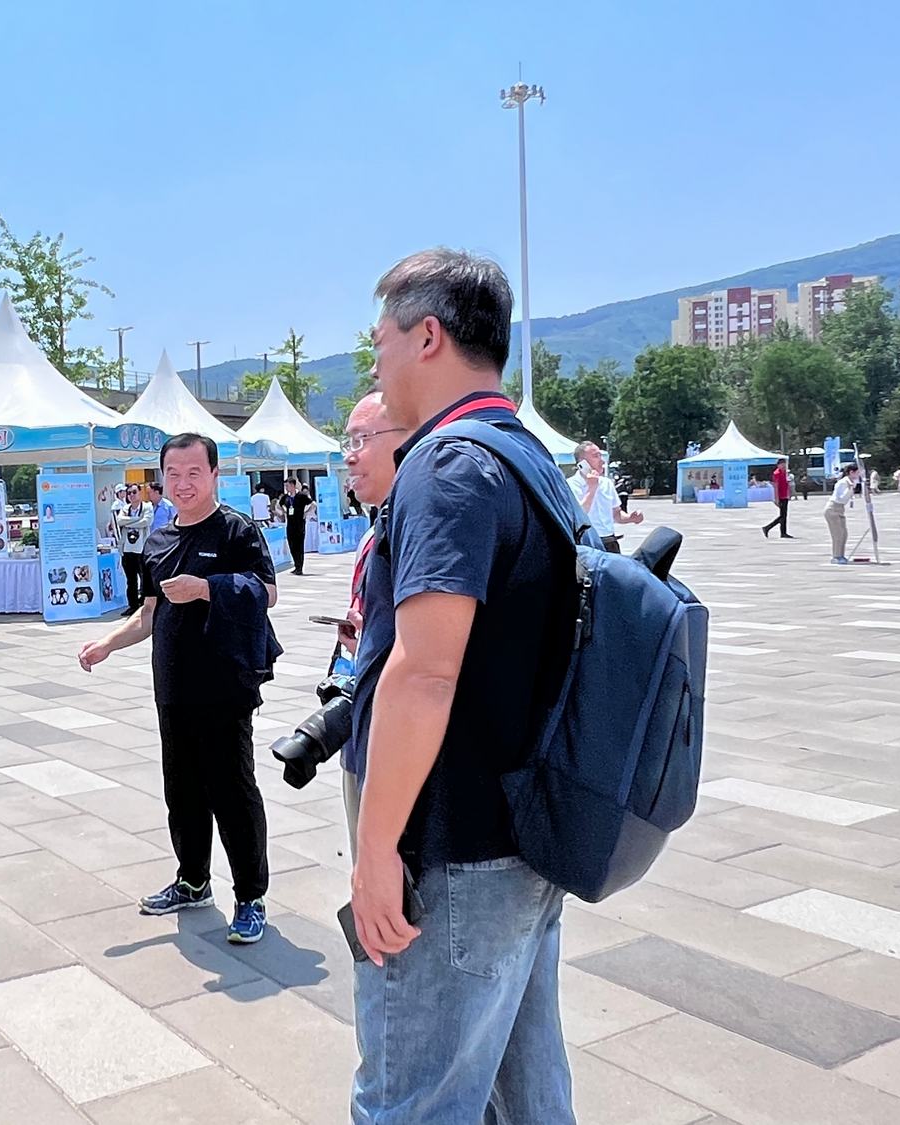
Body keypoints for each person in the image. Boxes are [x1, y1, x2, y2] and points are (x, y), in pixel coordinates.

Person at [349, 248, 576, 1122]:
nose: (376, 364)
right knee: (528, 1095)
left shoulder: (446, 465)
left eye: (380, 342)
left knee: (410, 1101)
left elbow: (425, 672)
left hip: (456, 850)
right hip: (524, 838)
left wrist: (376, 852)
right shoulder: (525, 456)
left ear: (429, 337)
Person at [77, 433, 280, 945]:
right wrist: (107, 643)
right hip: (173, 685)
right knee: (182, 789)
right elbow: (149, 614)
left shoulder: (236, 530)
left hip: (225, 684)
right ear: (162, 478)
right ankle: (192, 881)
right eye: (174, 474)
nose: (183, 483)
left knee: (232, 790)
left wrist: (207, 588)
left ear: (214, 474)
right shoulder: (159, 540)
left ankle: (250, 896)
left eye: (194, 473)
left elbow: (268, 592)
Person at [335, 391, 408, 847]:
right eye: (348, 441)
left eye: (362, 439)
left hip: (399, 744)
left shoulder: (419, 528)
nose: (349, 455)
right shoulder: (373, 532)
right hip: (364, 726)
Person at [568, 440, 643, 553]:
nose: (602, 461)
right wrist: (591, 489)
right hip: (587, 543)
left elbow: (616, 514)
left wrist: (630, 518)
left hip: (610, 542)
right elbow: (578, 515)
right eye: (596, 456)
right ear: (582, 463)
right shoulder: (571, 485)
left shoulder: (606, 483)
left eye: (600, 455)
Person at [116, 484, 153, 615]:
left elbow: (146, 522)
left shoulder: (147, 507)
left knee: (144, 579)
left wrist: (129, 523)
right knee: (130, 580)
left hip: (141, 549)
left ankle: (144, 605)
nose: (131, 495)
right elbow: (119, 521)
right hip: (127, 549)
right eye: (129, 493)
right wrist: (137, 519)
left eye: (134, 492)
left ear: (140, 493)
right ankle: (132, 605)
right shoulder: (125, 508)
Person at [825, 462, 863, 564]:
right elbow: (841, 498)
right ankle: (836, 556)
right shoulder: (843, 483)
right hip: (833, 508)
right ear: (851, 472)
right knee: (837, 534)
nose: (858, 475)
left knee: (844, 534)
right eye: (857, 472)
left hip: (840, 509)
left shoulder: (849, 482)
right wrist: (850, 489)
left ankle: (841, 555)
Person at [280, 477, 313, 575]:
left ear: (293, 485)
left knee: (299, 546)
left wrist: (306, 512)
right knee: (292, 545)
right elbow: (280, 504)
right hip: (290, 525)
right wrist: (284, 511)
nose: (286, 488)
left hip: (299, 525)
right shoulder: (286, 497)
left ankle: (299, 567)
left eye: (287, 486)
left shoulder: (301, 496)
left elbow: (312, 504)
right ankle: (296, 565)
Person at [761, 456, 793, 538]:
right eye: (782, 464)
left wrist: (789, 494)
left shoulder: (785, 473)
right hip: (780, 496)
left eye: (784, 464)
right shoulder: (777, 473)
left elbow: (787, 484)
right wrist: (776, 498)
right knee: (783, 516)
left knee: (784, 515)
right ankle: (767, 528)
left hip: (785, 496)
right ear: (778, 465)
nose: (784, 466)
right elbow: (776, 486)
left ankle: (783, 532)